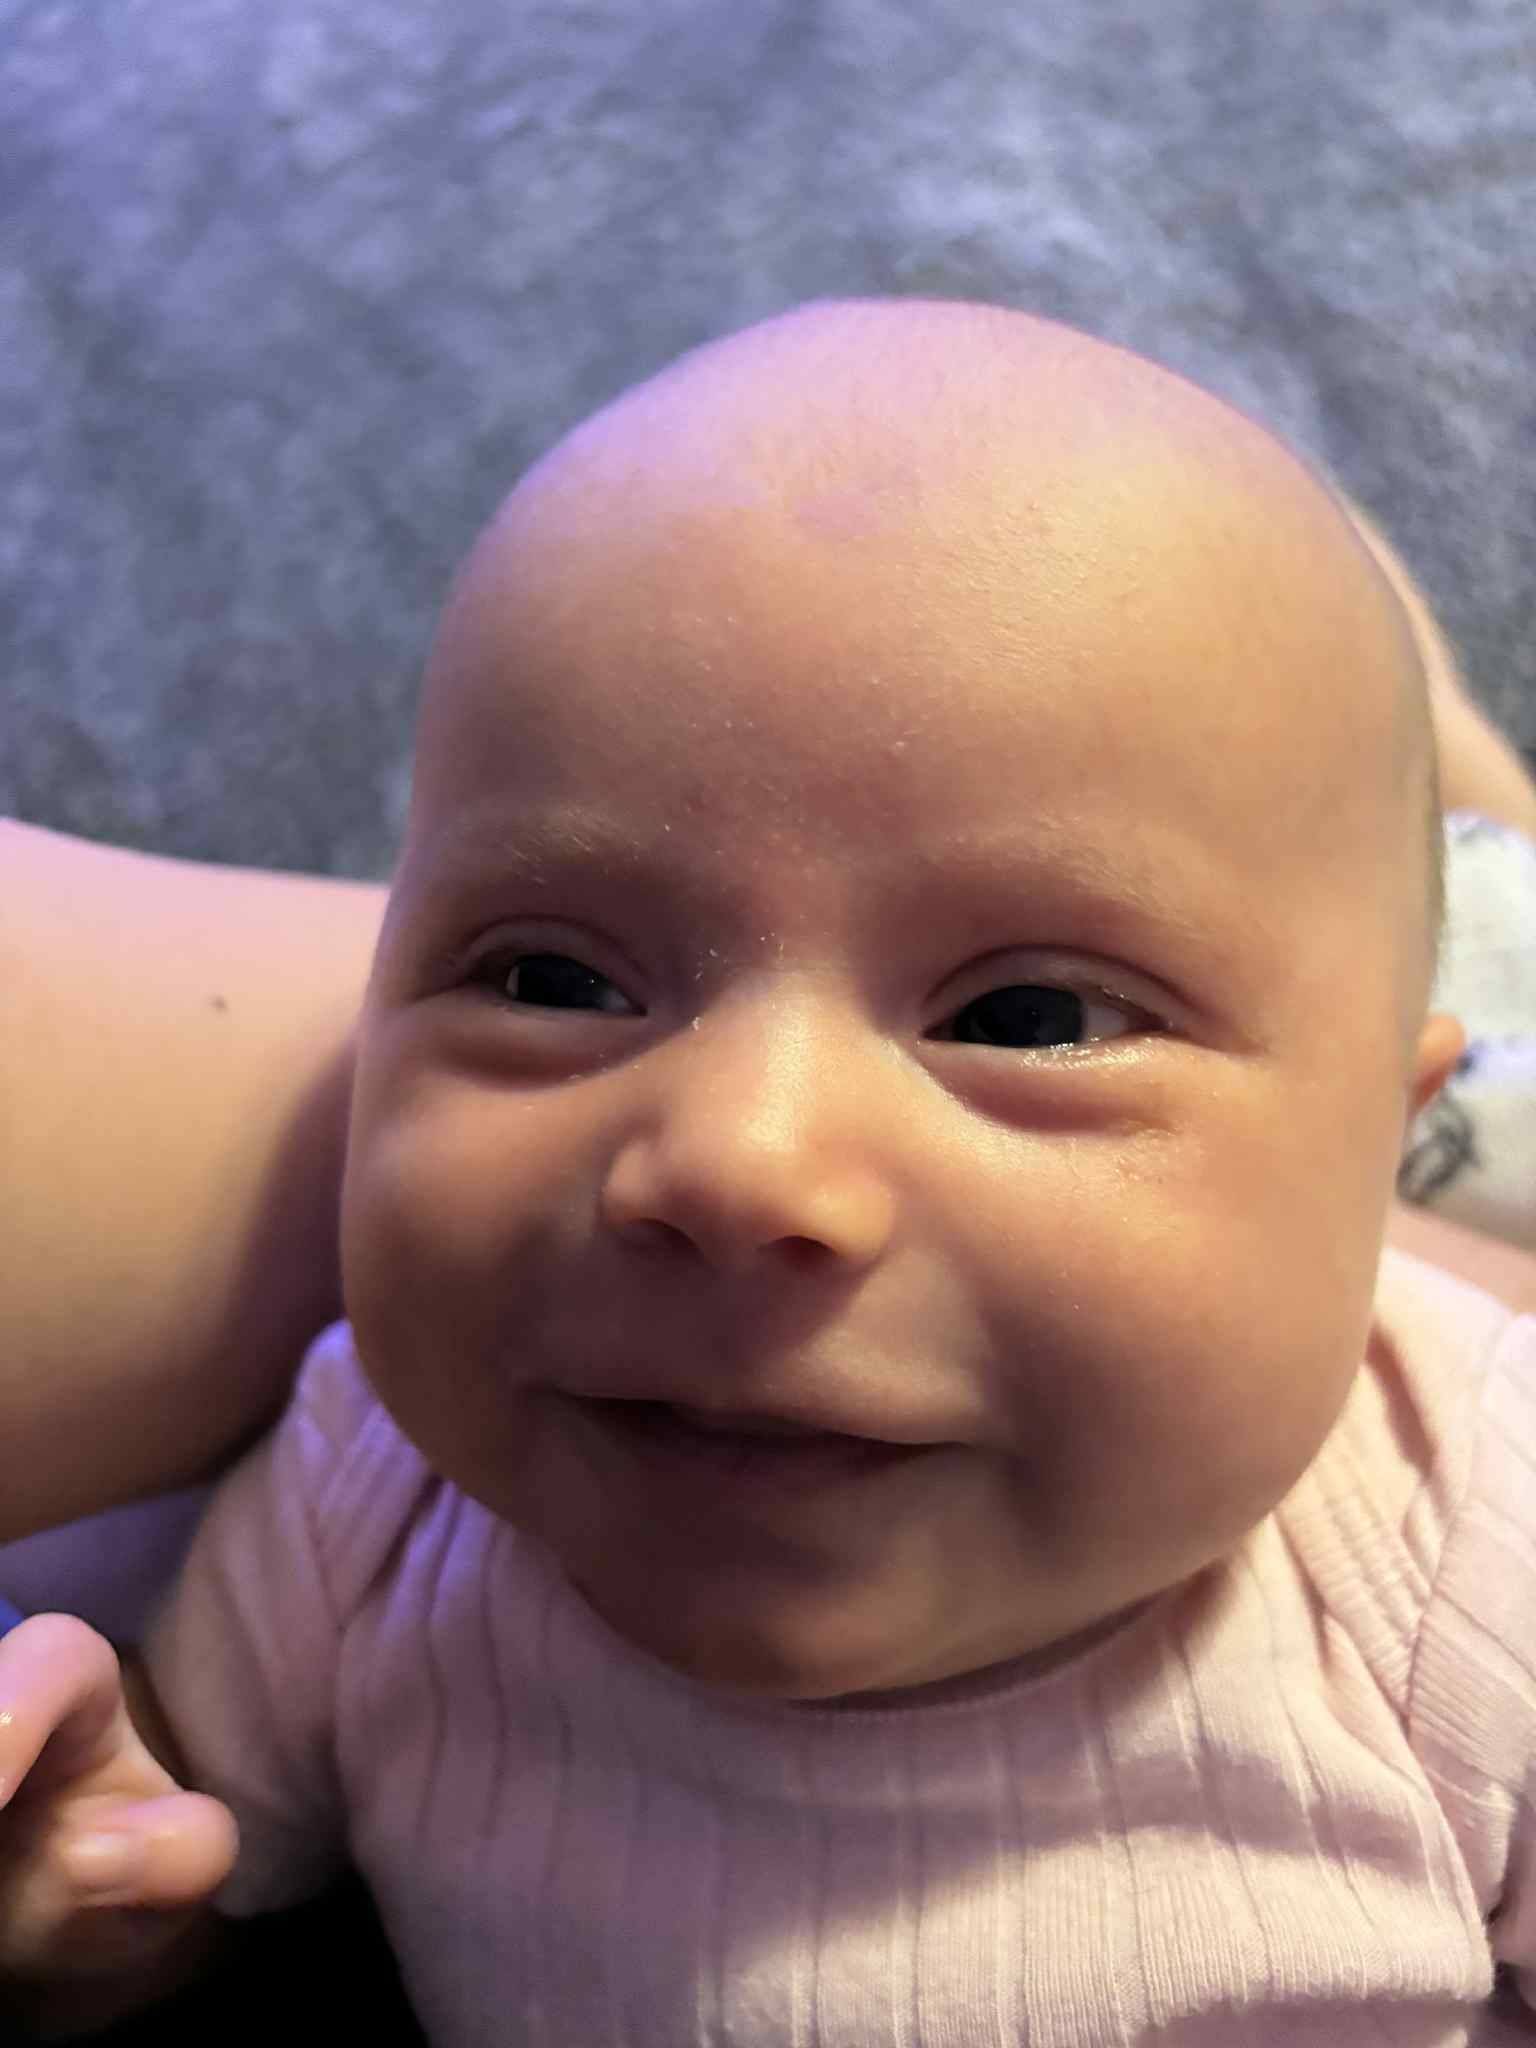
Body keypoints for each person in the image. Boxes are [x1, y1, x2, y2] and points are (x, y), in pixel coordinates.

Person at [2, 298, 1536, 2044]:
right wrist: (90, 1892)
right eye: (554, 981)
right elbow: (190, 1851)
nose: (739, 1161)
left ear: (1374, 1139)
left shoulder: (1474, 1543)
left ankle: (1470, 796)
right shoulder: (370, 1503)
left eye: (1028, 1018)